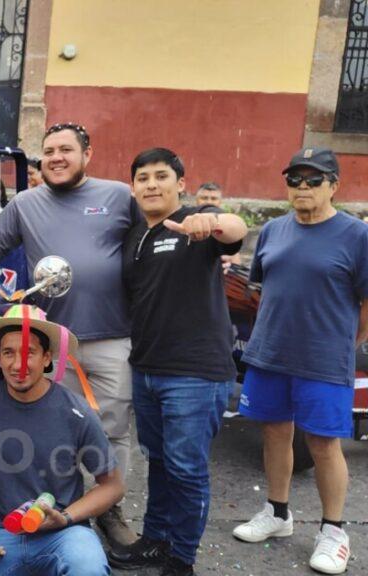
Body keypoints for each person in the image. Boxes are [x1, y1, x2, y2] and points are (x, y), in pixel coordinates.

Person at [0, 122, 140, 549]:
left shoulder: (119, 196)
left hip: (112, 335)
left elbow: (149, 239)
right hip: (52, 343)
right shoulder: (26, 203)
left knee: (114, 427)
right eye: (49, 151)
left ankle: (109, 508)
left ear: (87, 154)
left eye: (66, 149)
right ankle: (58, 511)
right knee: (59, 429)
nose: (56, 158)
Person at [231, 148, 368, 575]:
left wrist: (345, 343)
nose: (302, 187)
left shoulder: (357, 235)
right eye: (294, 179)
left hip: (324, 360)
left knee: (324, 444)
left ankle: (333, 531)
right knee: (275, 433)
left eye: (314, 179)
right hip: (270, 354)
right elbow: (263, 291)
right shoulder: (273, 230)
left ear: (334, 185)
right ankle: (277, 512)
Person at [112, 149, 247, 576]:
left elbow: (236, 230)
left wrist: (213, 221)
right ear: (133, 187)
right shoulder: (136, 234)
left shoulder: (195, 224)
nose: (152, 184)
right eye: (143, 177)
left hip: (195, 373)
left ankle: (182, 559)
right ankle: (155, 539)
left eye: (161, 176)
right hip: (147, 368)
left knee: (186, 470)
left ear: (181, 184)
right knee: (158, 460)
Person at [0, 305, 123, 576]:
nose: (18, 364)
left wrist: (65, 518)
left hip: (64, 533)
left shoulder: (76, 411)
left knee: (88, 568)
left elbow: (112, 486)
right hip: (2, 532)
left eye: (29, 352)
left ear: (47, 358)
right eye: (8, 353)